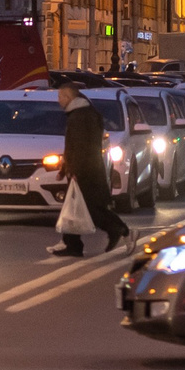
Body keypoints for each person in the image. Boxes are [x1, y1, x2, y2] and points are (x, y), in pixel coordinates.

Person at [52, 78, 130, 255]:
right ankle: (73, 245)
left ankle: (117, 229)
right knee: (75, 207)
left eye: (60, 97)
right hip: (87, 168)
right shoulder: (82, 113)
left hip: (85, 171)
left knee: (90, 209)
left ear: (67, 97)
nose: (59, 101)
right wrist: (64, 169)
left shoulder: (80, 116)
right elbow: (73, 147)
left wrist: (75, 170)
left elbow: (80, 147)